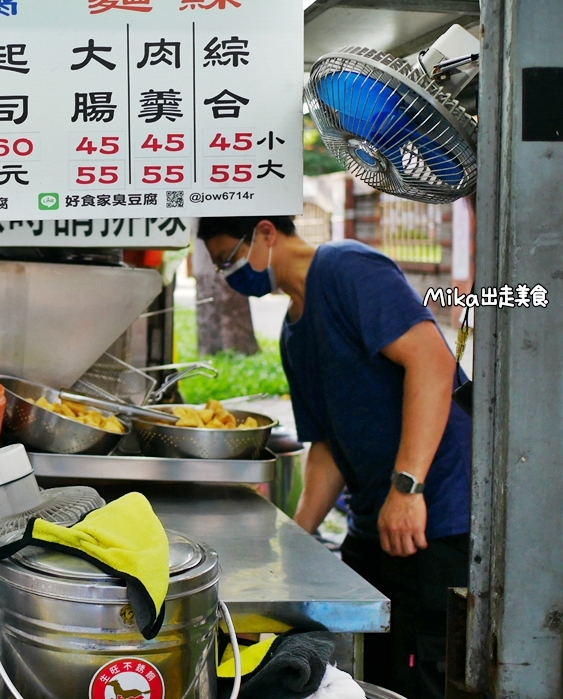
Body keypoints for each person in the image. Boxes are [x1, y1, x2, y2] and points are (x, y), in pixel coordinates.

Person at [196, 216, 471, 699]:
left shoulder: (348, 268)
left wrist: (408, 487)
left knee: (423, 666)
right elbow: (327, 448)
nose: (229, 273)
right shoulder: (293, 332)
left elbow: (432, 361)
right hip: (374, 521)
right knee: (373, 670)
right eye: (220, 267)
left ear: (265, 232)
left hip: (437, 512)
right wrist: (290, 542)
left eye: (228, 258)